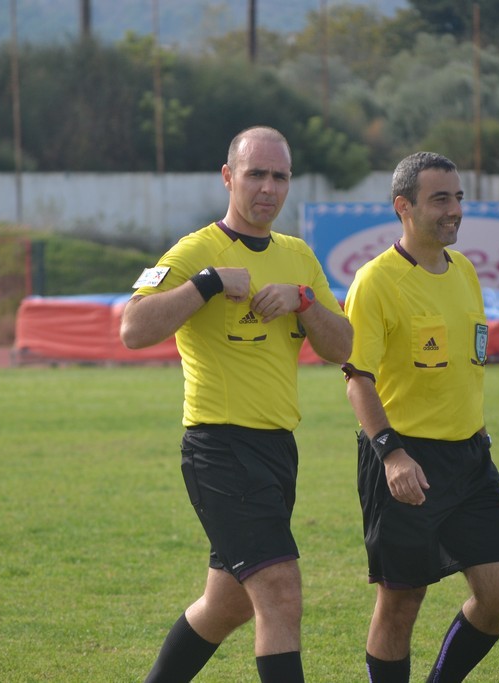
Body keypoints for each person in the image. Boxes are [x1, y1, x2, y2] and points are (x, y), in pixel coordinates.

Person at [120, 125, 353, 682]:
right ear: (228, 177)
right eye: (256, 174)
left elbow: (343, 346)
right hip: (220, 448)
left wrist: (304, 302)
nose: (269, 188)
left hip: (278, 451)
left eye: (280, 177)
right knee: (280, 591)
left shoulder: (298, 256)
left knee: (225, 604)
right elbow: (132, 328)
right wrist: (206, 284)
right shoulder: (197, 250)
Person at [342, 151, 499, 682]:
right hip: (405, 460)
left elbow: (465, 364)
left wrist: (478, 433)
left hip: (471, 460)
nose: (454, 210)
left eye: (458, 197)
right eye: (440, 199)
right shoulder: (375, 281)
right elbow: (357, 378)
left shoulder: (464, 270)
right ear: (403, 206)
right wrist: (391, 454)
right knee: (402, 602)